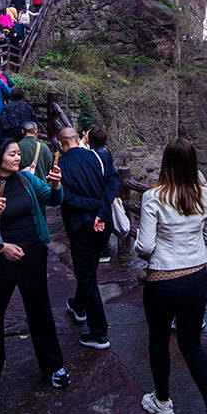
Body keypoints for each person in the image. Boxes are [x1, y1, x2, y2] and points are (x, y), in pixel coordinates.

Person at [0, 138, 70, 401]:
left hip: (33, 253)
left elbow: (52, 199)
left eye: (18, 154)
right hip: (0, 262)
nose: (17, 158)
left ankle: (53, 366)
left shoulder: (25, 180)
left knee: (40, 310)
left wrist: (56, 185)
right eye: (11, 154)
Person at [133, 138, 207, 414]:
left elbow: (146, 246)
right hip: (195, 277)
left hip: (162, 280)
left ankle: (163, 402)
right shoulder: (202, 195)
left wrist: (139, 244)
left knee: (159, 340)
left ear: (166, 164)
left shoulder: (153, 196)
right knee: (192, 343)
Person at [56, 127, 117, 349]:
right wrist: (101, 211)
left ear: (61, 144)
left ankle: (99, 332)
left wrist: (92, 209)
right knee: (88, 268)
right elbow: (112, 182)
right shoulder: (97, 156)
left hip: (81, 225)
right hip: (104, 224)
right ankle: (78, 305)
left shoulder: (61, 166)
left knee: (87, 275)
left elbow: (65, 198)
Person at [89, 127, 118, 263]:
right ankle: (104, 249)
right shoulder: (107, 151)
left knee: (101, 220)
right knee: (105, 218)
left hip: (99, 192)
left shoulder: (97, 155)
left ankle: (103, 250)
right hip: (106, 191)